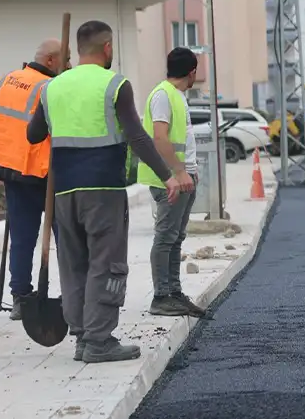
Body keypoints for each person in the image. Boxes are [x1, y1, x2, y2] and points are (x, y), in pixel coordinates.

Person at [27, 21, 186, 364]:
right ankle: (99, 341)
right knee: (106, 263)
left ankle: (83, 337)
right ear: (107, 48)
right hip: (103, 191)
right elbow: (137, 136)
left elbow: (33, 134)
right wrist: (168, 175)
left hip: (64, 192)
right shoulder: (115, 84)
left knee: (73, 264)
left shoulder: (51, 87)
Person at [0, 40, 63, 321]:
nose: (69, 65)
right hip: (42, 172)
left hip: (12, 169)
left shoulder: (9, 79)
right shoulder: (50, 87)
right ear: (50, 60)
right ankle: (73, 294)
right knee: (66, 236)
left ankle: (20, 298)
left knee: (22, 238)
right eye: (66, 58)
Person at [138, 47, 205, 318]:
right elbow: (160, 138)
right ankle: (161, 297)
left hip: (183, 177)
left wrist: (190, 170)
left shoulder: (176, 96)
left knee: (176, 237)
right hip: (169, 180)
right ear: (192, 72)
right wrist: (178, 172)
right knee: (166, 237)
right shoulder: (163, 95)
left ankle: (174, 293)